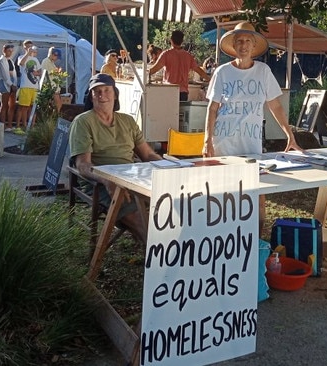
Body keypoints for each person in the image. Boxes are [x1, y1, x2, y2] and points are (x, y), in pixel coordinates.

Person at [202, 21, 302, 232]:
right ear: (234, 46)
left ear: (254, 46)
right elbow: (212, 109)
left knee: (257, 194)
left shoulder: (263, 71)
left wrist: (289, 135)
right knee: (224, 194)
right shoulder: (222, 72)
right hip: (224, 143)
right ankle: (223, 237)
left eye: (248, 41)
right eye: (239, 41)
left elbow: (275, 105)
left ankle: (255, 237)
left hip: (251, 145)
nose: (244, 45)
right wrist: (207, 141)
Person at [69, 73, 162, 243]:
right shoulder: (83, 122)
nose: (102, 95)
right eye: (97, 91)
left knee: (172, 209)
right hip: (100, 184)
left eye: (106, 90)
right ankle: (160, 263)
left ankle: (163, 255)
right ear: (91, 96)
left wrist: (172, 166)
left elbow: (147, 154)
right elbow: (83, 165)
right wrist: (107, 181)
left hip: (132, 179)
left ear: (115, 94)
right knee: (141, 222)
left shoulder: (127, 121)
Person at [148, 30, 210, 101]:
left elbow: (154, 69)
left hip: (169, 90)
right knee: (181, 112)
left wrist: (142, 75)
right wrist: (210, 79)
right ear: (182, 41)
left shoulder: (166, 54)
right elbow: (199, 71)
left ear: (171, 40)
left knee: (168, 111)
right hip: (183, 92)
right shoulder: (188, 56)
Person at [15, 41, 41, 134]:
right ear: (24, 48)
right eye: (27, 47)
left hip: (34, 87)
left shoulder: (36, 59)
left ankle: (30, 126)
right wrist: (27, 53)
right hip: (25, 86)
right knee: (23, 107)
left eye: (31, 46)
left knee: (32, 107)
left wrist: (36, 73)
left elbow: (40, 71)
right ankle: (18, 126)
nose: (30, 48)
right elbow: (21, 64)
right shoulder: (21, 57)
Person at [0, 44, 17, 132]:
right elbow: (5, 76)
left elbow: (14, 74)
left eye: (11, 51)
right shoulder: (1, 61)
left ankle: (9, 124)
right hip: (5, 84)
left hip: (13, 83)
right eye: (9, 51)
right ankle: (3, 124)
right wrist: (11, 85)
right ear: (4, 50)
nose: (10, 53)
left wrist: (15, 84)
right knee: (4, 104)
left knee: (12, 105)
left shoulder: (11, 61)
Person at [41, 47, 63, 112]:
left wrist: (58, 72)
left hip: (54, 87)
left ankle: (54, 117)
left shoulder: (52, 62)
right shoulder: (45, 61)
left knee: (55, 105)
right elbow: (44, 73)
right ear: (53, 54)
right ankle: (55, 117)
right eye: (57, 57)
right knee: (58, 104)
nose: (57, 59)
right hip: (50, 87)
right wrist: (56, 72)